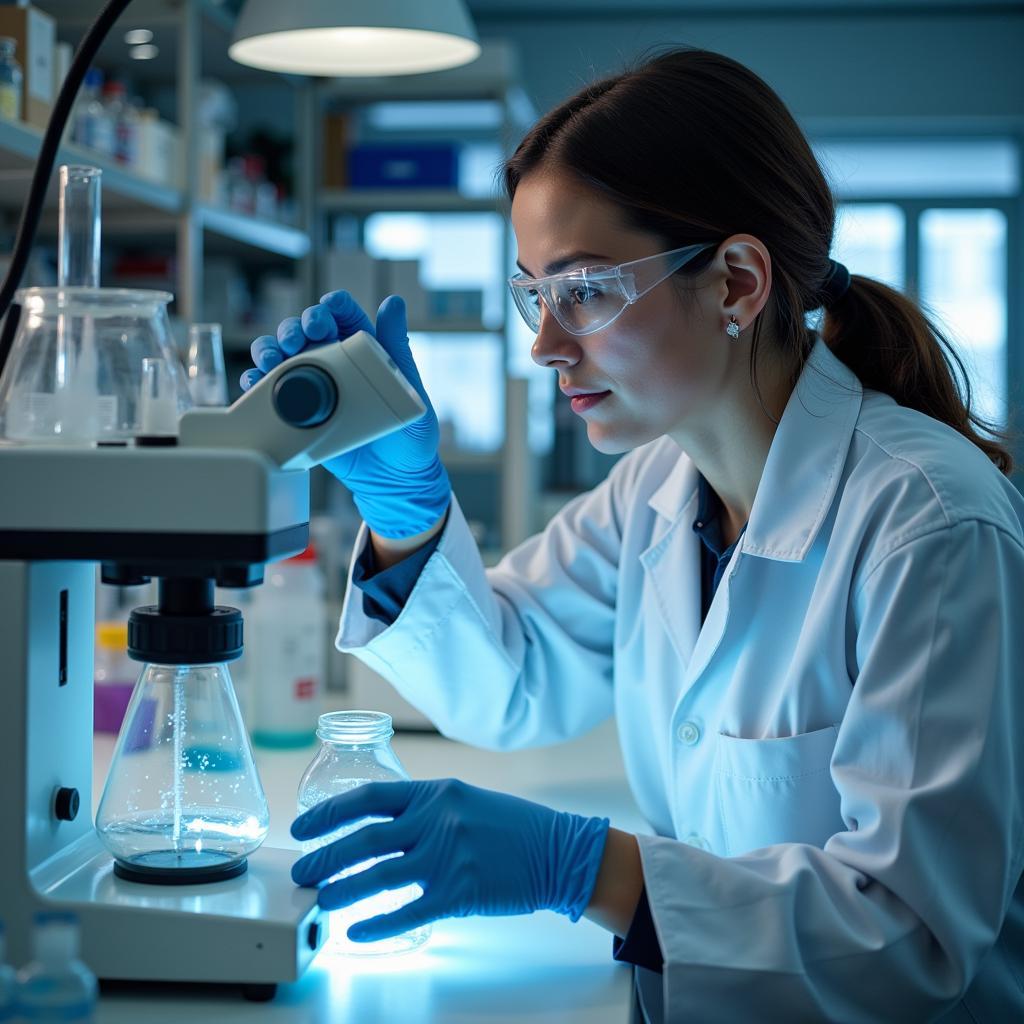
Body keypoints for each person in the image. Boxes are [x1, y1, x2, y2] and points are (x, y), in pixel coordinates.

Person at [242, 48, 1024, 1023]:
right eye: (534, 293)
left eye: (584, 290)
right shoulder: (656, 488)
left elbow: (908, 939)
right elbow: (510, 682)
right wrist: (409, 514)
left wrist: (581, 867)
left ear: (736, 282)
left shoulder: (928, 521)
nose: (544, 344)